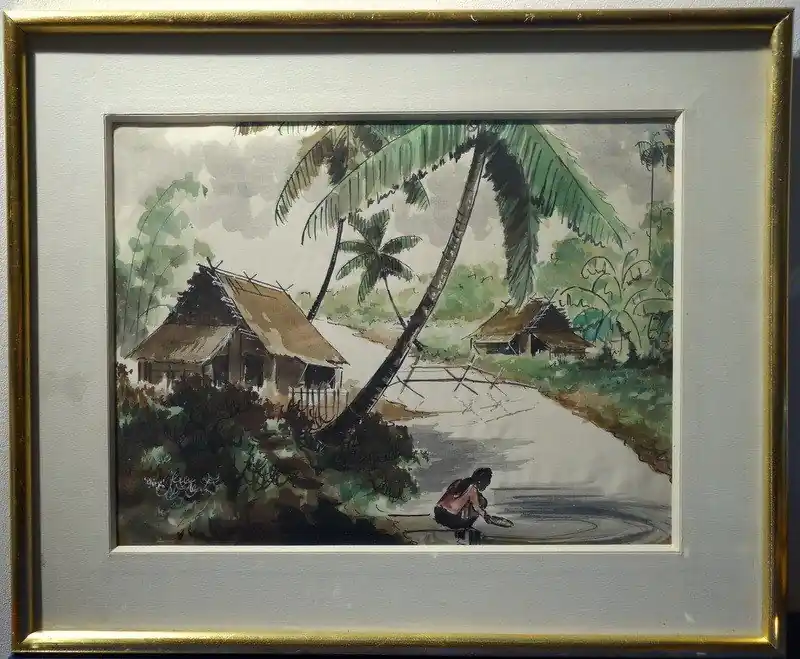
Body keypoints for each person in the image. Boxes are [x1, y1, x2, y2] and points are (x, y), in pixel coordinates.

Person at [433, 468, 493, 544]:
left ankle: (461, 530)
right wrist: (486, 517)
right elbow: (477, 508)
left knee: (467, 502)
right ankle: (463, 531)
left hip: (438, 512)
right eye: (486, 483)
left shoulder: (458, 482)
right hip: (449, 518)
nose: (486, 485)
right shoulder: (472, 488)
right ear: (481, 481)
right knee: (481, 502)